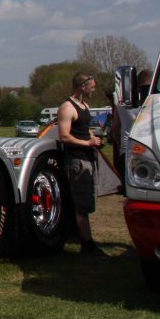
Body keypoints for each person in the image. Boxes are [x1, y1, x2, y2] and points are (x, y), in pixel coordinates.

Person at [58, 72, 108, 257]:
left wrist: (94, 139)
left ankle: (83, 240)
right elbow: (64, 136)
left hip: (88, 158)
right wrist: (88, 143)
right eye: (92, 87)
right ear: (82, 86)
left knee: (87, 201)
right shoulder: (67, 108)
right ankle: (87, 245)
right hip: (77, 160)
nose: (93, 90)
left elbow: (84, 130)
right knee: (81, 205)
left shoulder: (85, 106)